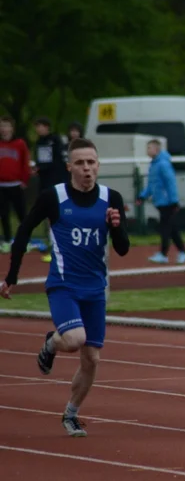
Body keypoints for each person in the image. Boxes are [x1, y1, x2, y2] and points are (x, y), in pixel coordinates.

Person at [0, 137, 130, 437]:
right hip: (64, 285)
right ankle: (52, 343)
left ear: (98, 165)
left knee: (92, 358)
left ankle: (71, 413)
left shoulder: (111, 198)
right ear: (70, 166)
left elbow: (122, 248)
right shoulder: (53, 197)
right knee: (73, 339)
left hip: (95, 289)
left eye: (92, 162)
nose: (87, 168)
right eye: (81, 163)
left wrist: (116, 227)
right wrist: (12, 276)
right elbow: (24, 230)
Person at [137, 139, 185, 264]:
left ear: (156, 149)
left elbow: (170, 183)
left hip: (167, 203)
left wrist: (174, 201)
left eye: (149, 148)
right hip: (161, 202)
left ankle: (163, 254)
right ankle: (183, 252)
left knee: (166, 229)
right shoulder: (154, 165)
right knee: (172, 229)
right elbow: (152, 185)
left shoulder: (162, 164)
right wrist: (142, 196)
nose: (148, 150)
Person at [31, 117, 68, 262]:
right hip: (45, 184)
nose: (39, 129)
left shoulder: (56, 141)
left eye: (41, 126)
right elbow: (42, 162)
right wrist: (38, 169)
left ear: (47, 127)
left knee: (59, 214)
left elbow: (57, 162)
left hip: (57, 183)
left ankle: (61, 247)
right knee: (49, 216)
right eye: (37, 127)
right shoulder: (38, 143)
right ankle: (54, 245)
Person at [0, 116, 31, 253]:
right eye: (2, 126)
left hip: (16, 184)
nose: (4, 129)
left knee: (21, 214)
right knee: (4, 214)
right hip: (1, 186)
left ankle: (25, 241)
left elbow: (25, 162)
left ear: (12, 128)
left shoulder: (20, 144)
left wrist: (25, 180)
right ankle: (7, 241)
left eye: (7, 126)